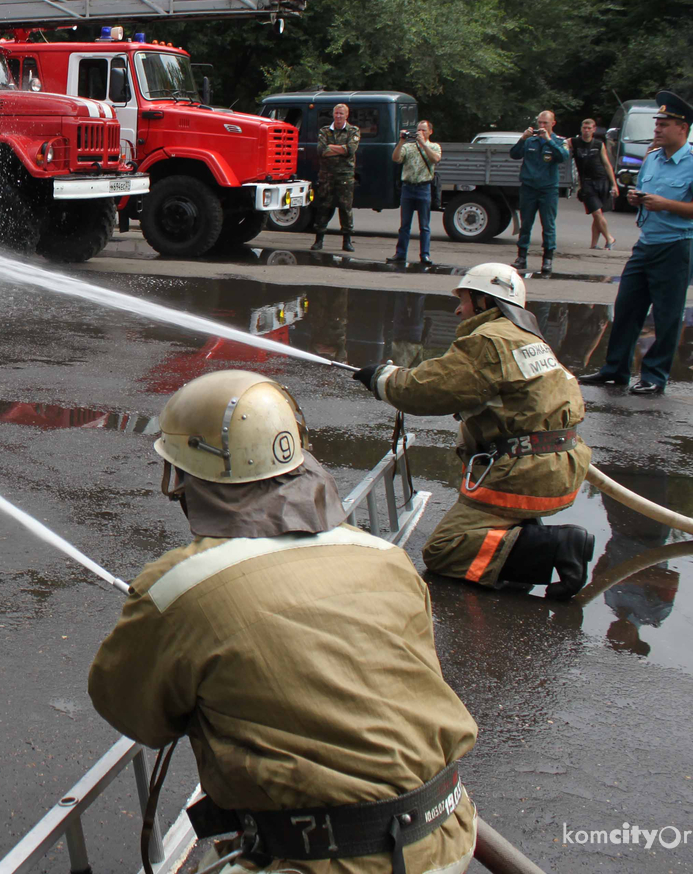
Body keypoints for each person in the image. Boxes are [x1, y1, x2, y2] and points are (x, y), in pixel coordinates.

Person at [89, 370, 478, 874]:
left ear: (183, 477)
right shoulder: (384, 558)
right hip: (447, 833)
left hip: (326, 860)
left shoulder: (180, 588)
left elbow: (132, 713)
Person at [354, 262, 595, 598]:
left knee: (444, 550)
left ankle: (556, 546)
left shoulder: (488, 341)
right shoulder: (526, 337)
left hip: (524, 472)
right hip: (557, 465)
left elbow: (426, 390)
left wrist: (382, 378)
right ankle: (519, 530)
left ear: (484, 302)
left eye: (464, 299)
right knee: (473, 530)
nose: (457, 309)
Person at [578, 91, 693, 395]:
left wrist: (665, 203)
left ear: (683, 129)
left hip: (677, 246)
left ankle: (654, 376)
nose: (657, 128)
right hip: (647, 245)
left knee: (667, 315)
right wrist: (637, 199)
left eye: (664, 124)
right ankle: (615, 370)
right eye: (657, 123)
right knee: (626, 307)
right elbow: (647, 195)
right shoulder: (653, 158)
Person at [509, 110, 566, 274]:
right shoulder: (530, 141)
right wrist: (523, 138)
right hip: (529, 188)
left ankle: (547, 259)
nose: (541, 126)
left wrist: (548, 141)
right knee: (526, 224)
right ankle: (521, 257)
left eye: (545, 123)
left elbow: (563, 156)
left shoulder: (558, 141)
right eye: (539, 123)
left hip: (548, 189)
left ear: (552, 124)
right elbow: (514, 154)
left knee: (548, 225)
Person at [387, 119, 441, 267]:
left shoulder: (434, 146)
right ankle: (400, 253)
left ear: (430, 132)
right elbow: (396, 158)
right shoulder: (409, 147)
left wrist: (423, 144)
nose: (420, 133)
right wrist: (400, 142)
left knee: (424, 225)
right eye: (418, 130)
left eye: (423, 130)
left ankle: (425, 254)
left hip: (423, 188)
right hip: (408, 188)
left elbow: (435, 159)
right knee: (405, 225)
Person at [310, 102, 359, 252]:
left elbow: (350, 149)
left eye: (341, 114)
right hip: (326, 175)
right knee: (324, 207)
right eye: (336, 113)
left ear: (346, 115)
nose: (338, 116)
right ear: (333, 114)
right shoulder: (325, 131)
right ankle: (319, 240)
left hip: (345, 175)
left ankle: (347, 241)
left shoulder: (353, 130)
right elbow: (321, 150)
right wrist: (341, 149)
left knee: (345, 208)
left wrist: (332, 148)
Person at [570, 117, 617, 250]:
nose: (586, 130)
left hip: (602, 181)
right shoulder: (574, 142)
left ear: (594, 130)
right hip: (587, 183)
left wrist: (614, 184)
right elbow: (560, 145)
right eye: (584, 128)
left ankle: (593, 245)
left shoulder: (598, 144)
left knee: (598, 213)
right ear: (581, 129)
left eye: (589, 128)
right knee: (596, 213)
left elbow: (607, 164)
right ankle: (610, 238)